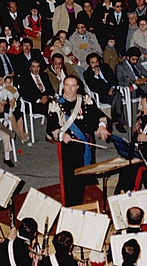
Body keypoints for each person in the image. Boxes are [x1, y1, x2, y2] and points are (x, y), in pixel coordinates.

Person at [46, 74, 111, 205]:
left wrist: (102, 126)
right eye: (67, 85)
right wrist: (61, 135)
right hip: (69, 146)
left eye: (73, 86)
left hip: (86, 143)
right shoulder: (55, 104)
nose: (69, 89)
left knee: (86, 173)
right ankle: (72, 206)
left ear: (77, 87)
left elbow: (99, 115)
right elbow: (51, 127)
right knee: (70, 179)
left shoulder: (85, 100)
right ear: (63, 86)